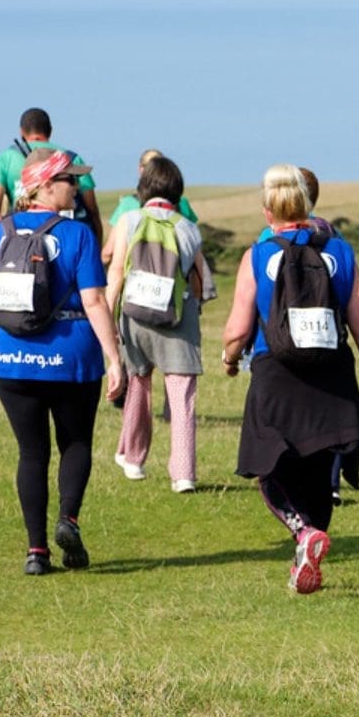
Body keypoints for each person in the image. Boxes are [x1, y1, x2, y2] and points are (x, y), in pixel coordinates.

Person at [220, 164, 359, 594]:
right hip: (332, 371)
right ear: (309, 205)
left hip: (275, 371)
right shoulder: (340, 251)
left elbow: (238, 329)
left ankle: (303, 533)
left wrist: (228, 356)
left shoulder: (257, 255)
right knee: (319, 466)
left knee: (269, 467)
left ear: (267, 212)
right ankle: (310, 542)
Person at [0, 149, 124, 575]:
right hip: (71, 359)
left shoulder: (1, 232)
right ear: (44, 185)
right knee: (75, 443)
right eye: (69, 180)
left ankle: (36, 552)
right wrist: (115, 359)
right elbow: (94, 300)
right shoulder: (79, 236)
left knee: (31, 454)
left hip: (13, 360)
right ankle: (68, 520)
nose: (77, 188)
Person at [105, 153, 213, 493]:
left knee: (138, 384)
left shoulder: (129, 220)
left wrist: (107, 319)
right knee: (182, 396)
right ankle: (183, 474)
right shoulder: (188, 228)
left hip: (135, 317)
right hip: (177, 317)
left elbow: (116, 273)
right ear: (177, 191)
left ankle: (134, 459)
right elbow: (198, 281)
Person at [0, 108, 101, 252]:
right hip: (67, 240)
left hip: (19, 242)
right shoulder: (71, 159)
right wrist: (97, 245)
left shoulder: (5, 158)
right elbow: (92, 209)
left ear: (22, 132)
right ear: (50, 131)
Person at [106, 149, 201, 232]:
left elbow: (110, 248)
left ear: (141, 170)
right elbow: (195, 240)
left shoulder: (127, 204)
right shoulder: (182, 203)